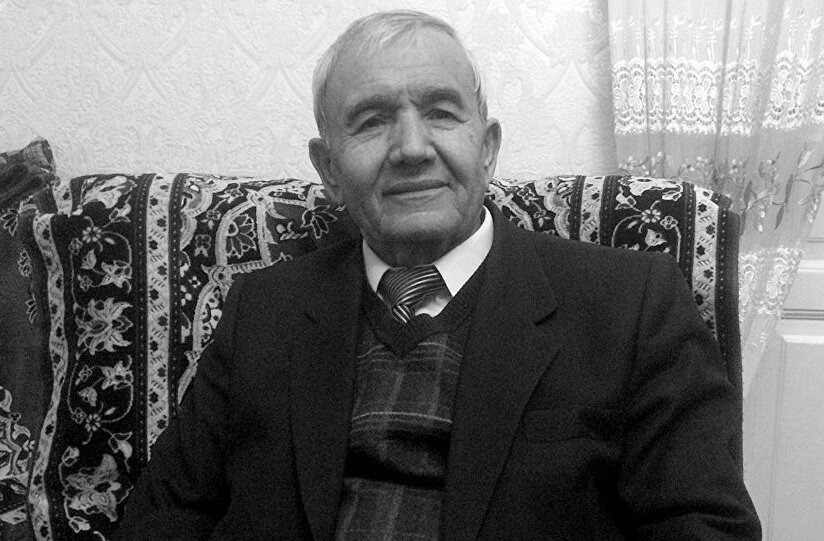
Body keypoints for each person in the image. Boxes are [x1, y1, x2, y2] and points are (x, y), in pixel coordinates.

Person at [117, 9, 761, 540]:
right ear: (329, 169)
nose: (412, 148)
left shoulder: (632, 304)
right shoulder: (262, 310)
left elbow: (703, 525)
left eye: (442, 113)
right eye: (372, 122)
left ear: (488, 147)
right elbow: (166, 515)